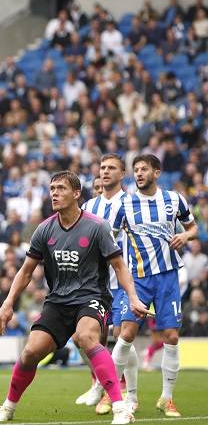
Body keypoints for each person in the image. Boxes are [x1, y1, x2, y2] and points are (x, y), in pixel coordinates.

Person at [0, 170, 149, 424]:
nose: (54, 193)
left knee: (86, 337)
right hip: (58, 301)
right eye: (52, 188)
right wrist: (8, 302)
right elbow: (26, 270)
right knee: (30, 352)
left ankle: (120, 407)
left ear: (77, 194)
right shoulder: (44, 229)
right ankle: (8, 407)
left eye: (61, 188)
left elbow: (119, 266)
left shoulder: (97, 226)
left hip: (93, 297)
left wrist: (132, 297)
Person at [110, 154, 198, 418]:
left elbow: (192, 227)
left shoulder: (174, 199)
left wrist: (185, 235)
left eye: (143, 169)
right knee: (126, 334)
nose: (138, 173)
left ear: (156, 172)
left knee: (171, 337)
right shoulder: (124, 203)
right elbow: (110, 237)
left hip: (168, 277)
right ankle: (116, 397)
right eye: (135, 170)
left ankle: (167, 399)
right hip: (136, 278)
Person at [75, 154, 138, 412]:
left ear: (122, 173)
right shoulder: (89, 206)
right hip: (96, 284)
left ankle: (122, 392)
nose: (105, 171)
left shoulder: (133, 204)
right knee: (85, 338)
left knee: (120, 335)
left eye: (111, 168)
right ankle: (101, 384)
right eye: (102, 167)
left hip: (124, 279)